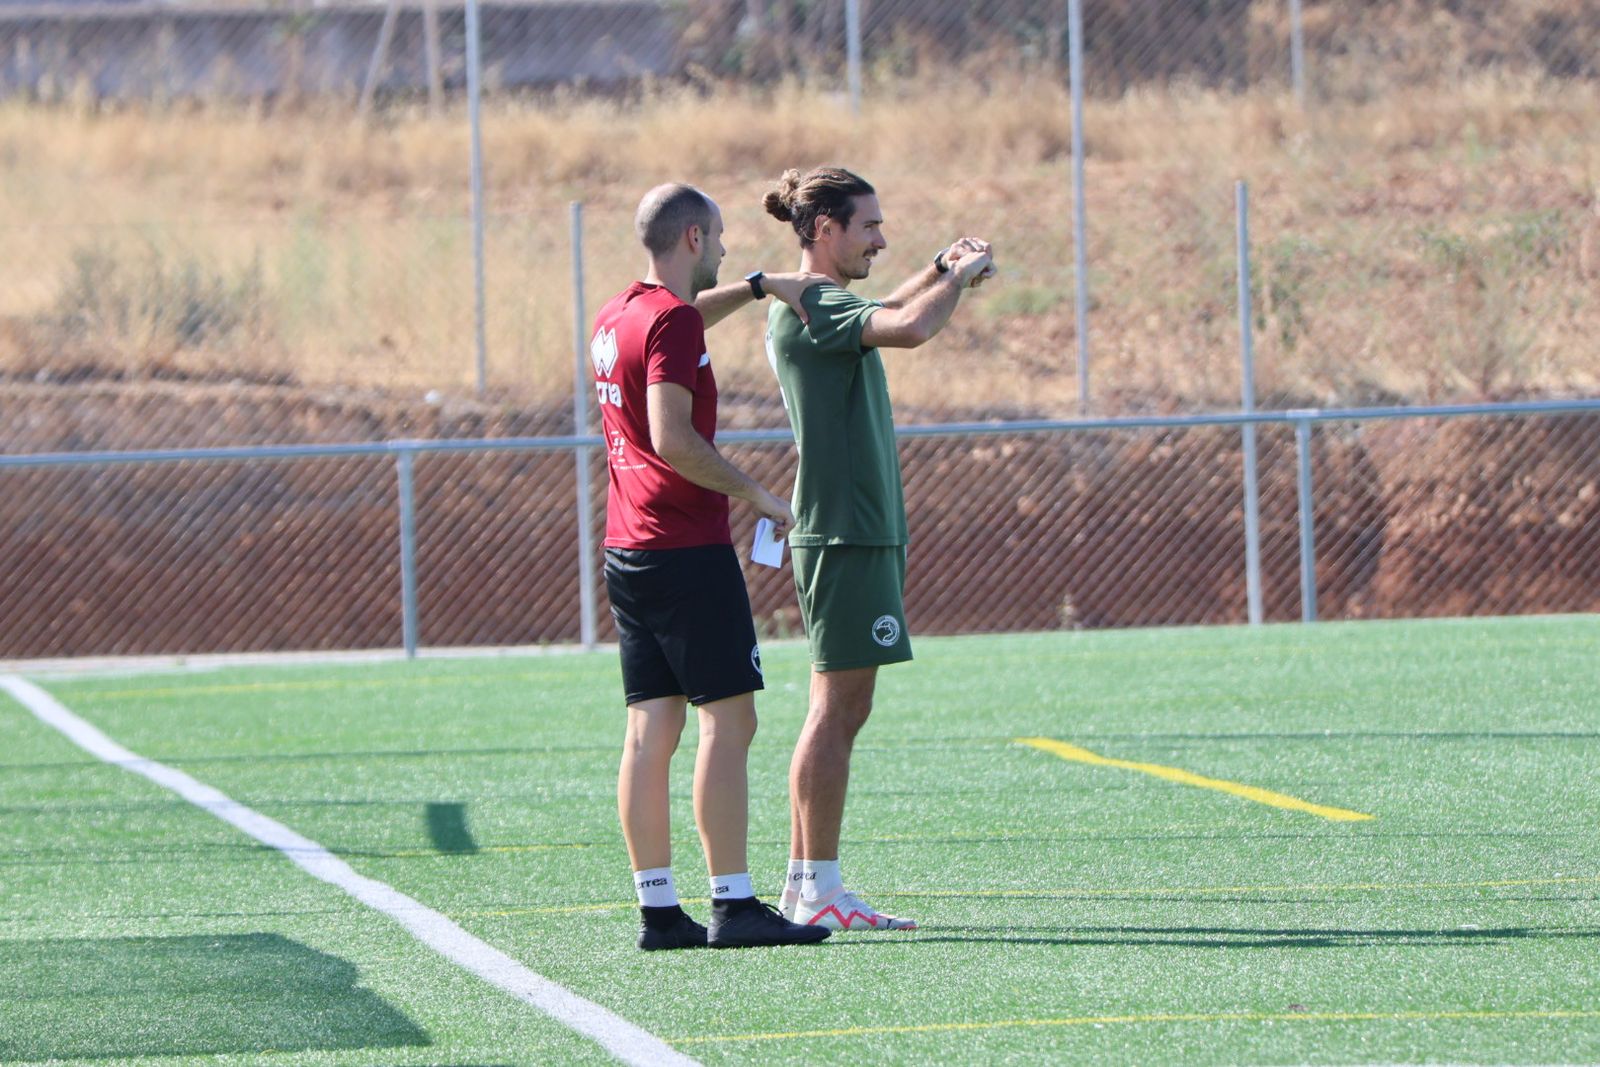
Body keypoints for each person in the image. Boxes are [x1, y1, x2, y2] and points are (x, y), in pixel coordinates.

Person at [593, 182, 831, 951]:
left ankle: (659, 912)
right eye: (721, 237)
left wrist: (762, 285)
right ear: (693, 237)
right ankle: (734, 903)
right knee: (731, 720)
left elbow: (684, 320)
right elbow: (673, 436)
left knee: (649, 728)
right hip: (684, 549)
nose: (727, 248)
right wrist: (756, 492)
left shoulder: (619, 314)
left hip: (628, 549)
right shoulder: (668, 322)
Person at [762, 166, 996, 931]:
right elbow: (912, 327)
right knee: (839, 709)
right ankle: (818, 885)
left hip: (854, 529)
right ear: (823, 231)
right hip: (846, 530)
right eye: (867, 227)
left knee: (836, 709)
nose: (880, 238)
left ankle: (806, 885)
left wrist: (933, 269)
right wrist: (958, 279)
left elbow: (890, 305)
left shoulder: (823, 301)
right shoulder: (815, 300)